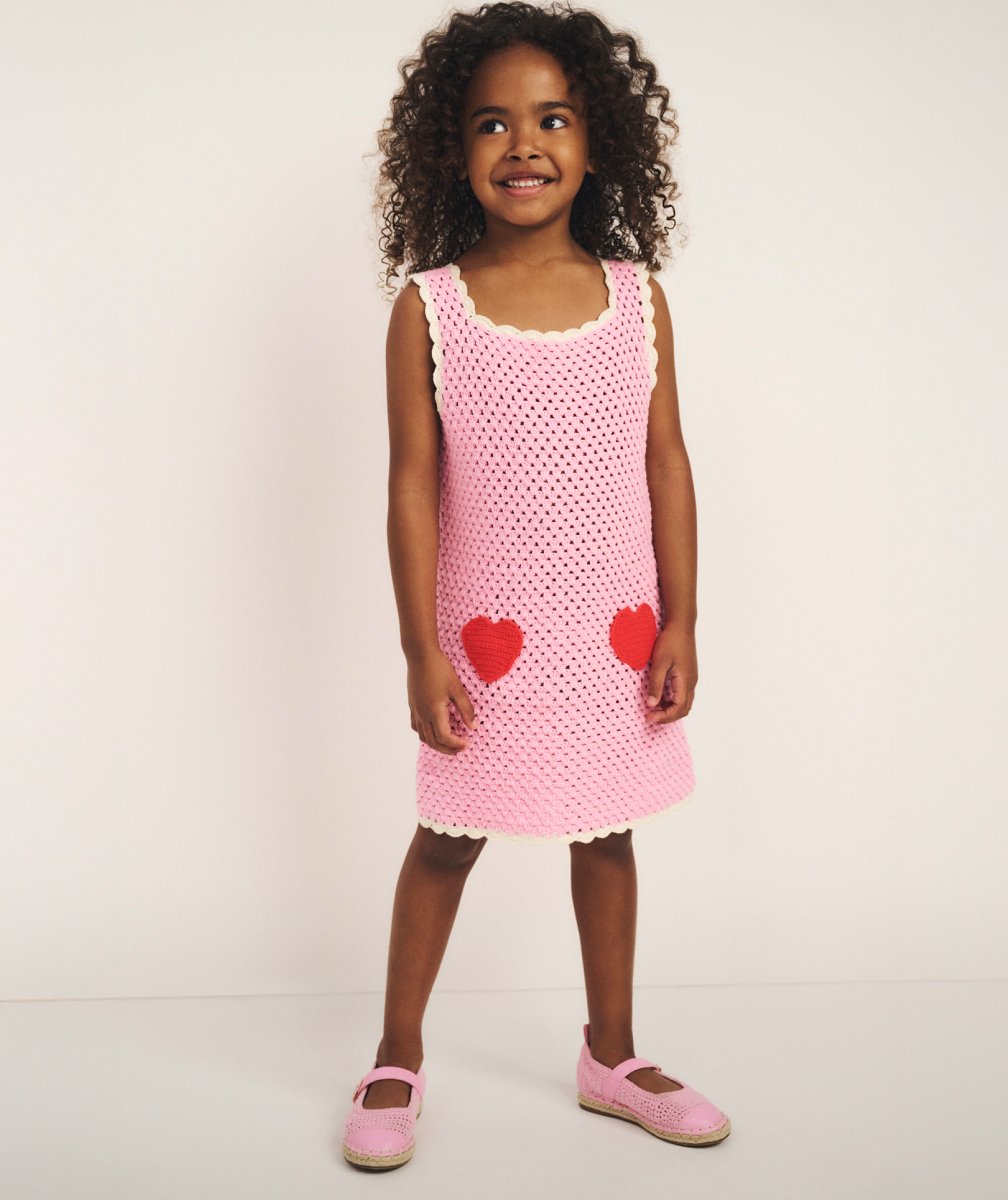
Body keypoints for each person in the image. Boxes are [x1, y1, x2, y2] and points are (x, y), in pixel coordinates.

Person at [342, 1, 730, 1171]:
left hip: (612, 632)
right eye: (491, 123)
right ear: (450, 151)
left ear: (599, 141)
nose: (524, 144)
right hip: (483, 637)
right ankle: (396, 1053)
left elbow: (667, 462)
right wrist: (421, 649)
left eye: (553, 119)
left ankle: (613, 1055)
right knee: (447, 837)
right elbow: (413, 486)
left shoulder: (637, 299)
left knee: (605, 833)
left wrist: (682, 618)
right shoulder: (432, 308)